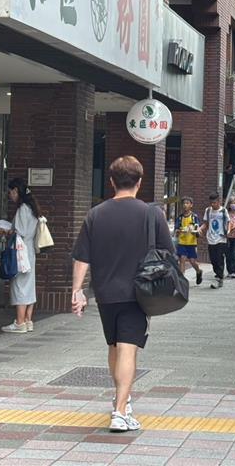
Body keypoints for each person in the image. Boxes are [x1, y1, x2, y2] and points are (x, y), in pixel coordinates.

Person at [71, 156, 172, 433]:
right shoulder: (151, 214)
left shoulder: (95, 214)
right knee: (128, 348)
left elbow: (82, 257)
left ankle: (122, 401)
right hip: (138, 292)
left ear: (112, 181)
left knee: (114, 346)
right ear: (139, 182)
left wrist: (77, 291)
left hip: (105, 294)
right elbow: (168, 254)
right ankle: (120, 411)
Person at [2, 178, 40, 333]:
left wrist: (6, 232)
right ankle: (28, 320)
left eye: (10, 192)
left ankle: (19, 323)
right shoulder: (33, 208)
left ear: (16, 191)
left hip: (20, 251)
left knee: (20, 285)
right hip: (29, 250)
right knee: (29, 285)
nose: (10, 195)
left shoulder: (23, 209)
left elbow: (20, 232)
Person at [201, 193, 229, 289]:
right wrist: (200, 229)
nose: (213, 205)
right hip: (211, 238)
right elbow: (205, 223)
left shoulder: (224, 211)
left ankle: (219, 278)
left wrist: (227, 232)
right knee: (213, 260)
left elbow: (228, 222)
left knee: (219, 258)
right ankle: (219, 274)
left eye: (214, 203)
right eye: (211, 203)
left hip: (221, 238)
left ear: (218, 202)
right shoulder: (208, 210)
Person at [175, 197, 203, 285]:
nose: (185, 205)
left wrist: (194, 230)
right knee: (182, 259)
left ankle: (198, 271)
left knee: (192, 261)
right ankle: (182, 280)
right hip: (182, 242)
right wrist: (180, 230)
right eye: (184, 203)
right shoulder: (180, 217)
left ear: (191, 205)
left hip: (191, 242)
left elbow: (197, 228)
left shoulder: (194, 217)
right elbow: (176, 230)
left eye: (187, 203)